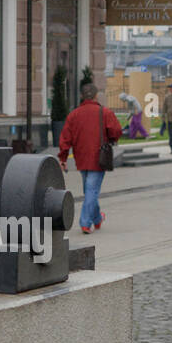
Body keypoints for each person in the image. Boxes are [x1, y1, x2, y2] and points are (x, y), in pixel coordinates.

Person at [57, 82, 123, 235]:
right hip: (98, 158)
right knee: (91, 191)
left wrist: (63, 157)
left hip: (80, 158)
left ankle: (98, 218)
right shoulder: (104, 112)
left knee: (89, 190)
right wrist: (112, 138)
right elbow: (116, 131)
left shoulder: (73, 115)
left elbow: (65, 138)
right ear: (95, 95)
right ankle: (85, 223)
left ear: (81, 96)